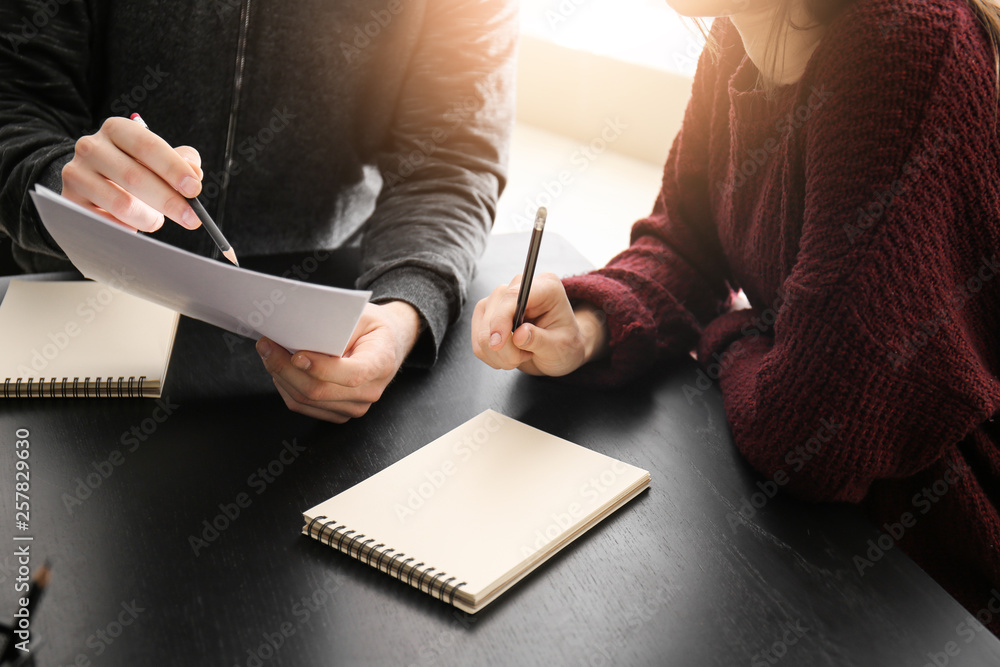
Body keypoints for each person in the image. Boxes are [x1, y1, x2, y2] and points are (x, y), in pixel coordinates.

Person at [473, 0, 1000, 633]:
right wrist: (588, 324)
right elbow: (686, 241)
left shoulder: (903, 38)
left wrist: (729, 333)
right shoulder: (736, 28)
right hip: (821, 532)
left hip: (937, 562)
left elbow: (811, 430)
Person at [0, 0, 516, 423]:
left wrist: (404, 308)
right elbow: (14, 104)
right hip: (63, 334)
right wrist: (53, 177)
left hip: (325, 337)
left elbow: (450, 160)